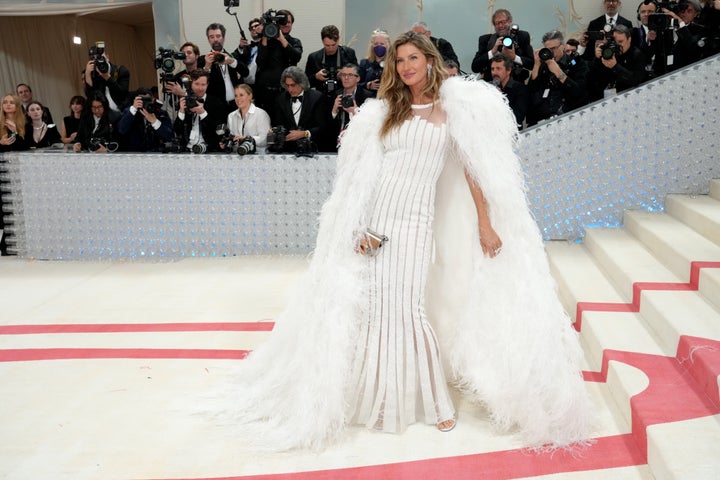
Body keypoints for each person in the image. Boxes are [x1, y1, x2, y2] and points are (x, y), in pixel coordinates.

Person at [223, 31, 591, 452]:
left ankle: (435, 402)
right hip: (377, 222)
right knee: (377, 311)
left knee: (410, 310)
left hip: (416, 224)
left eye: (413, 58)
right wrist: (359, 225)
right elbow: (366, 176)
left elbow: (473, 171)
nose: (406, 66)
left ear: (430, 60)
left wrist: (485, 223)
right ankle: (381, 399)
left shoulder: (452, 110)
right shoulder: (386, 111)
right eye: (399, 61)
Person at [527, 30, 589, 126]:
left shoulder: (577, 63)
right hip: (541, 121)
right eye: (548, 49)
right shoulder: (543, 65)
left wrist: (558, 72)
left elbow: (578, 92)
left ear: (563, 45)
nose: (551, 52)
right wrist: (536, 65)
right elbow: (531, 91)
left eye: (554, 48)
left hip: (568, 118)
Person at [254, 9, 303, 112]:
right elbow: (260, 62)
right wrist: (264, 35)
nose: (286, 24)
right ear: (277, 23)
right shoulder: (267, 41)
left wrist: (281, 39)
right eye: (283, 22)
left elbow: (296, 57)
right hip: (265, 94)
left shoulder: (295, 42)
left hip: (285, 92)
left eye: (289, 22)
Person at [271, 66, 327, 153]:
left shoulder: (316, 97)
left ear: (302, 83)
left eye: (293, 85)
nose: (290, 89)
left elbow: (322, 126)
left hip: (312, 148)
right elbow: (279, 123)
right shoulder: (280, 99)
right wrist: (276, 130)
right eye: (287, 85)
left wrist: (305, 133)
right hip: (288, 149)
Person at [587, 24, 647, 100]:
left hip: (628, 97)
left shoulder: (637, 55)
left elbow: (635, 80)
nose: (617, 45)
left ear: (629, 39)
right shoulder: (608, 50)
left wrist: (615, 66)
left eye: (620, 41)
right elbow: (592, 76)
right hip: (605, 97)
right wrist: (597, 58)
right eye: (615, 41)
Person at [471, 9, 534, 82]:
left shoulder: (522, 36)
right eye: (497, 23)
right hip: (491, 85)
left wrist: (514, 57)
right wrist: (492, 52)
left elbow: (532, 64)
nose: (501, 26)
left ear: (510, 21)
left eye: (503, 22)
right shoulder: (485, 40)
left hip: (516, 84)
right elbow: (475, 67)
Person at [174, 69, 226, 153]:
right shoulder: (185, 101)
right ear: (191, 84)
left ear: (207, 85)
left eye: (203, 84)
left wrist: (203, 114)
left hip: (209, 150)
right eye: (197, 84)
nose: (200, 88)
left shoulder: (216, 103)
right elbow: (177, 130)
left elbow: (220, 131)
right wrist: (181, 112)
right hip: (187, 150)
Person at [203, 23, 250, 115]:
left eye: (218, 36)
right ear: (208, 40)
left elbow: (246, 73)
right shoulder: (203, 60)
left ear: (223, 38)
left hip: (237, 105)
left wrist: (232, 62)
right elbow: (201, 85)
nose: (215, 39)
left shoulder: (233, 56)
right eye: (211, 37)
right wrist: (207, 66)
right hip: (215, 107)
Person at [304, 25, 358, 96]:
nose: (331, 48)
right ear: (322, 41)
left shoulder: (349, 54)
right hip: (321, 97)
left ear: (338, 39)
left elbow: (358, 76)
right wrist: (316, 77)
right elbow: (304, 84)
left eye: (333, 45)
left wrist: (345, 74)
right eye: (327, 45)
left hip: (344, 95)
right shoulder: (314, 58)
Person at [117, 88, 174, 152]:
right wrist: (134, 108)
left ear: (153, 99)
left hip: (156, 153)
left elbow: (169, 136)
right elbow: (121, 130)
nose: (145, 103)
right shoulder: (130, 112)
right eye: (142, 100)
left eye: (148, 100)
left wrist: (155, 122)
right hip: (136, 154)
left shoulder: (161, 113)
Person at [329, 63, 368, 150]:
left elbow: (371, 124)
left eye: (350, 75)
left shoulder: (367, 97)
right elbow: (326, 126)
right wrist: (334, 110)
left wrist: (356, 111)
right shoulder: (334, 95)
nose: (346, 78)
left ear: (358, 78)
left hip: (359, 143)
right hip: (337, 143)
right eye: (343, 75)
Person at [83, 43, 130, 113]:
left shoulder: (121, 70)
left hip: (121, 112)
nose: (98, 61)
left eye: (100, 57)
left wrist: (107, 77)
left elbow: (122, 93)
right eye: (94, 58)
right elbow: (90, 97)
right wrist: (87, 74)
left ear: (107, 57)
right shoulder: (94, 75)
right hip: (104, 115)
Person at [224, 84, 271, 153]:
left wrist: (247, 139)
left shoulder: (261, 114)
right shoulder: (231, 116)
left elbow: (265, 139)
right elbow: (232, 138)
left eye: (241, 95)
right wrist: (227, 143)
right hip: (237, 157)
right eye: (236, 96)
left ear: (250, 96)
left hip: (258, 157)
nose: (238, 99)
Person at [490, 53, 529, 130]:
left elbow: (517, 119)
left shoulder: (519, 89)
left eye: (498, 68)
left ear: (508, 70)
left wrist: (501, 99)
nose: (494, 72)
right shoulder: (489, 88)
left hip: (511, 135)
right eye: (492, 69)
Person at [358, 29, 390, 98]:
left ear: (387, 45)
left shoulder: (393, 63)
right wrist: (368, 85)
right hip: (368, 101)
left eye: (382, 44)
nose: (379, 46)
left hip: (387, 99)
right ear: (372, 45)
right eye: (376, 44)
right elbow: (357, 83)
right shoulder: (364, 63)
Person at [236, 19, 264, 86]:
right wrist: (241, 47)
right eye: (251, 28)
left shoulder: (268, 46)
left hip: (262, 85)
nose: (254, 29)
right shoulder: (247, 47)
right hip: (246, 85)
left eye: (256, 26)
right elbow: (236, 58)